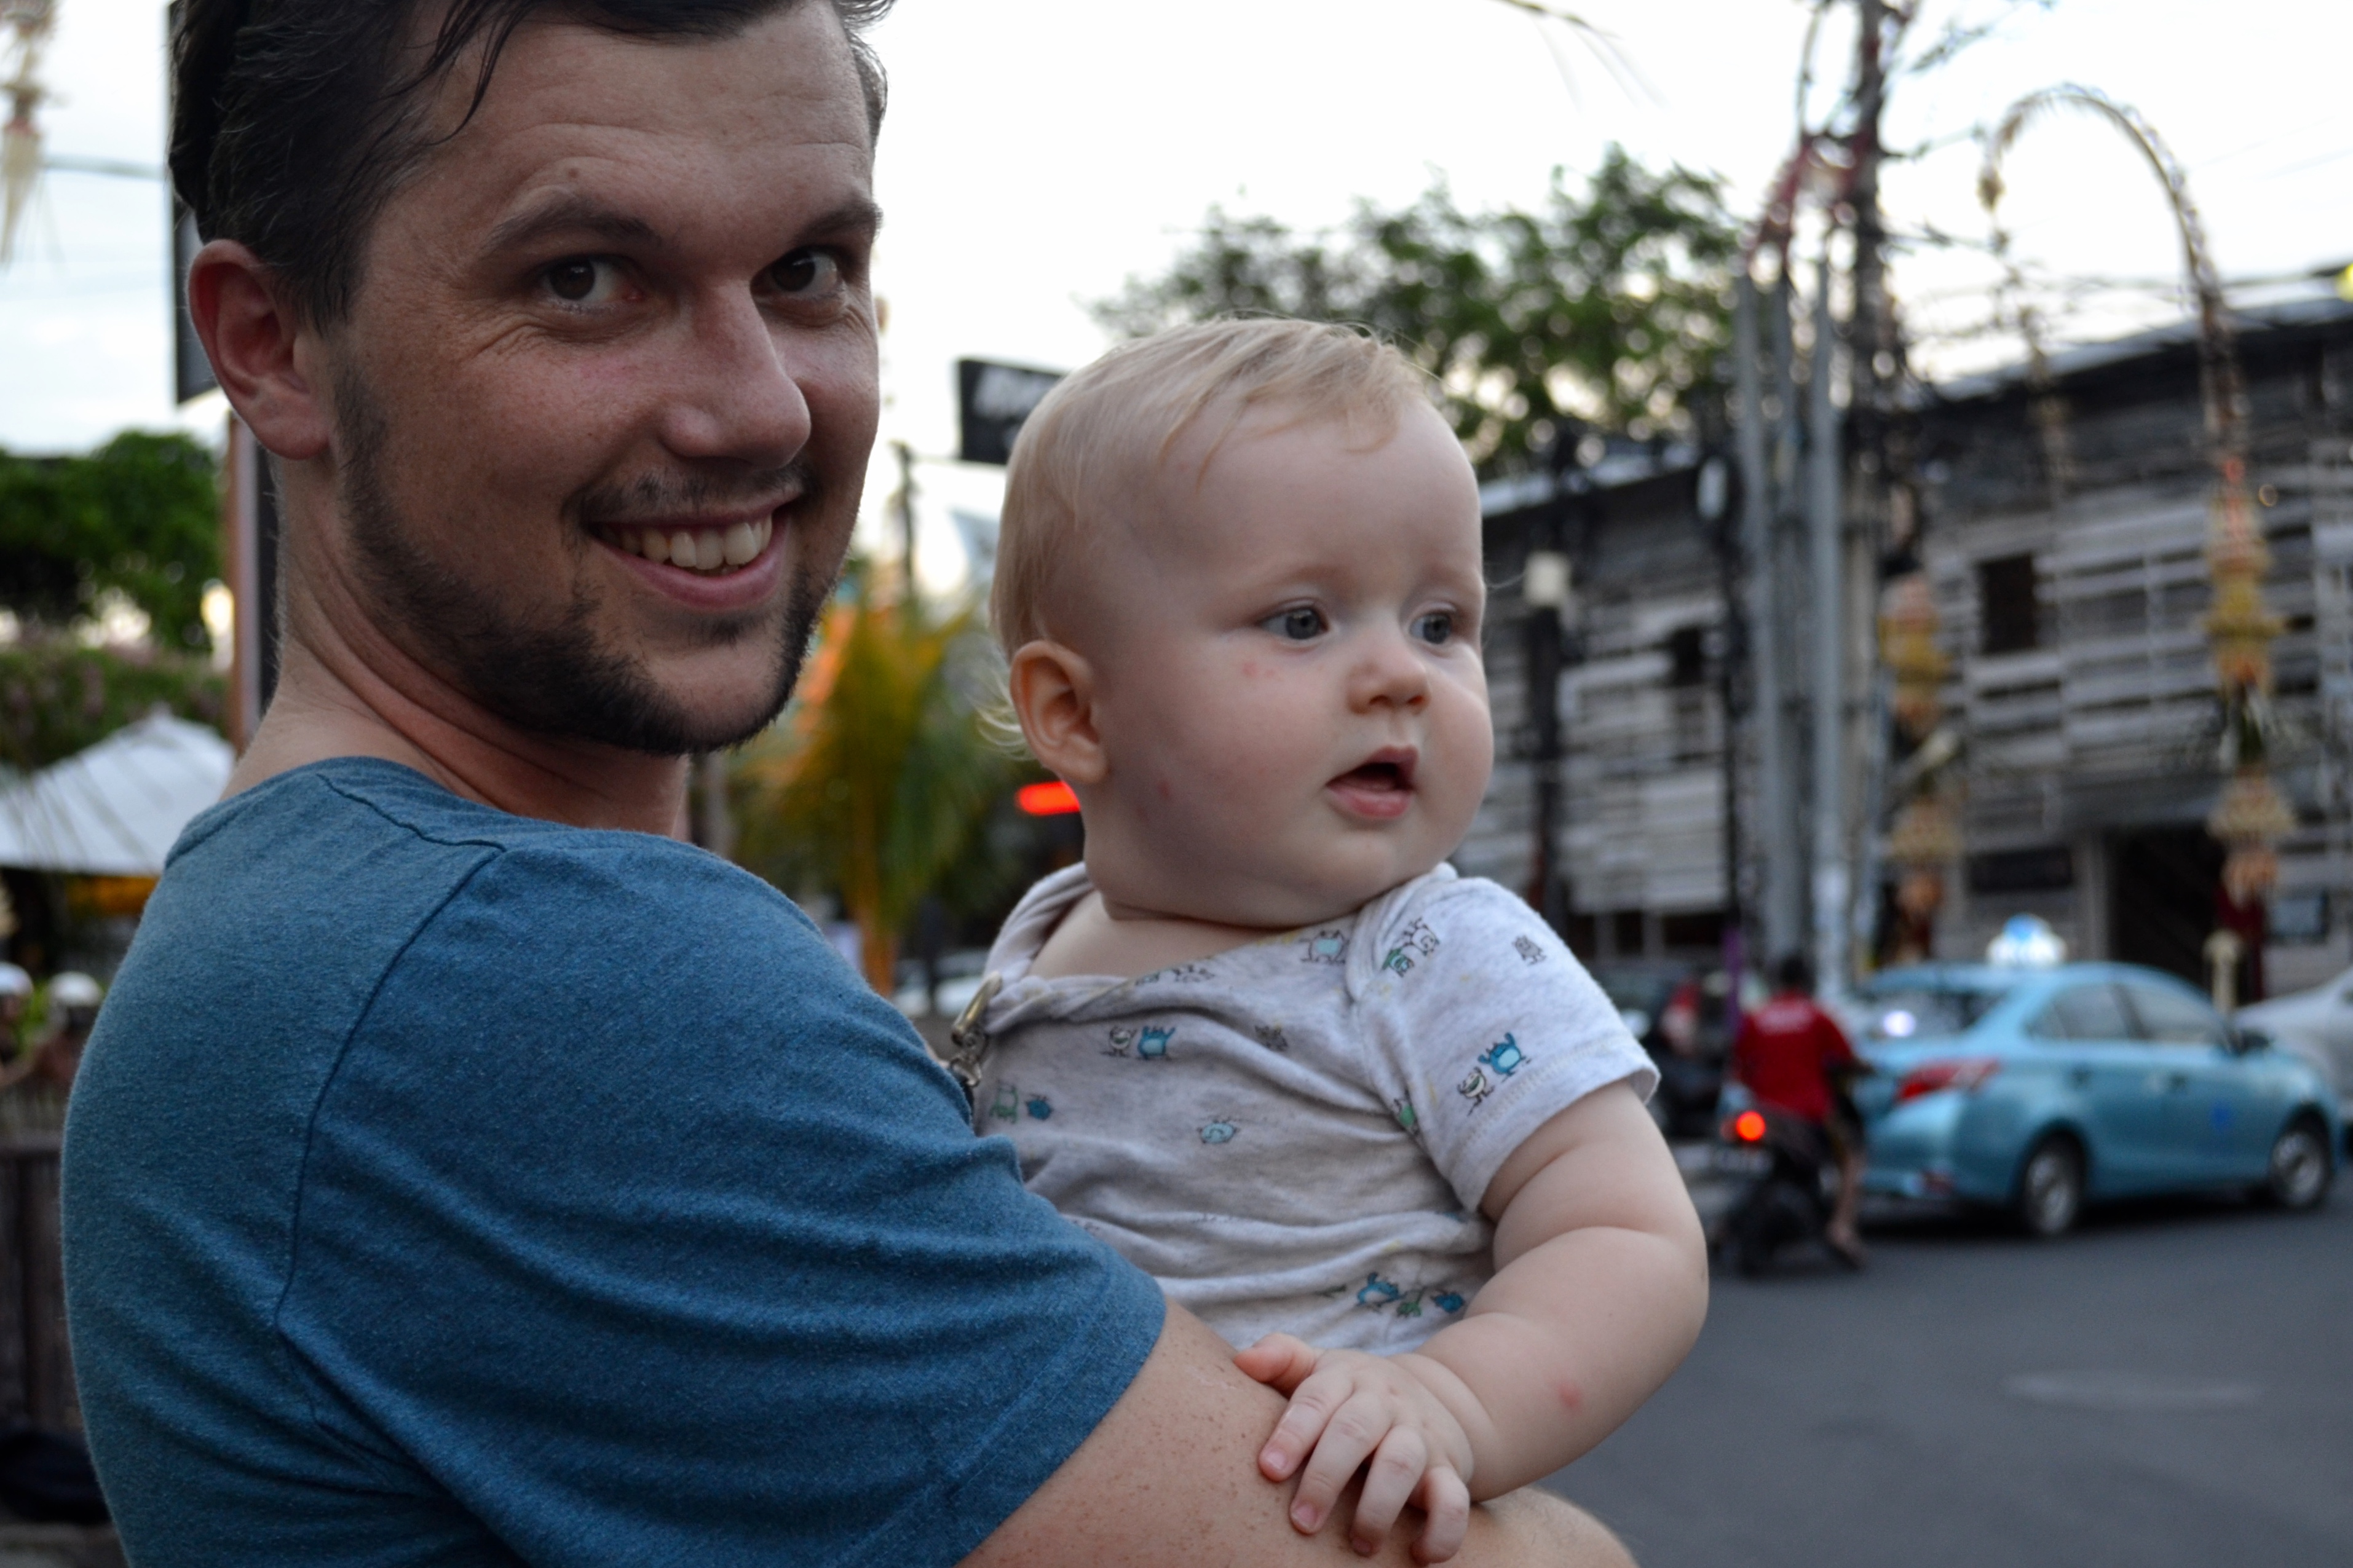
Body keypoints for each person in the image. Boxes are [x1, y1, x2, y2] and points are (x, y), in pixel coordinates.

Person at [58, 4, 1632, 1564]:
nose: (760, 406)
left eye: (806, 270)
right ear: (270, 343)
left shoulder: (293, 927)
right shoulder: (527, 976)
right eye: (584, 279)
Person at [960, 319, 1709, 1562]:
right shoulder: (1035, 946)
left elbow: (1625, 1236)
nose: (1399, 676)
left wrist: (1450, 1401)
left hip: (1337, 1521)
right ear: (1077, 713)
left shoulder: (1432, 953)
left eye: (1439, 623)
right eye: (1303, 621)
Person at [1731, 953, 1868, 1266]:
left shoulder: (1757, 1016)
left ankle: (1724, 1230)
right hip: (1811, 1114)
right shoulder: (1816, 1015)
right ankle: (1841, 1228)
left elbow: (1739, 1065)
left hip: (1764, 1113)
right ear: (1806, 980)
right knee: (1852, 1159)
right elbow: (1847, 1058)